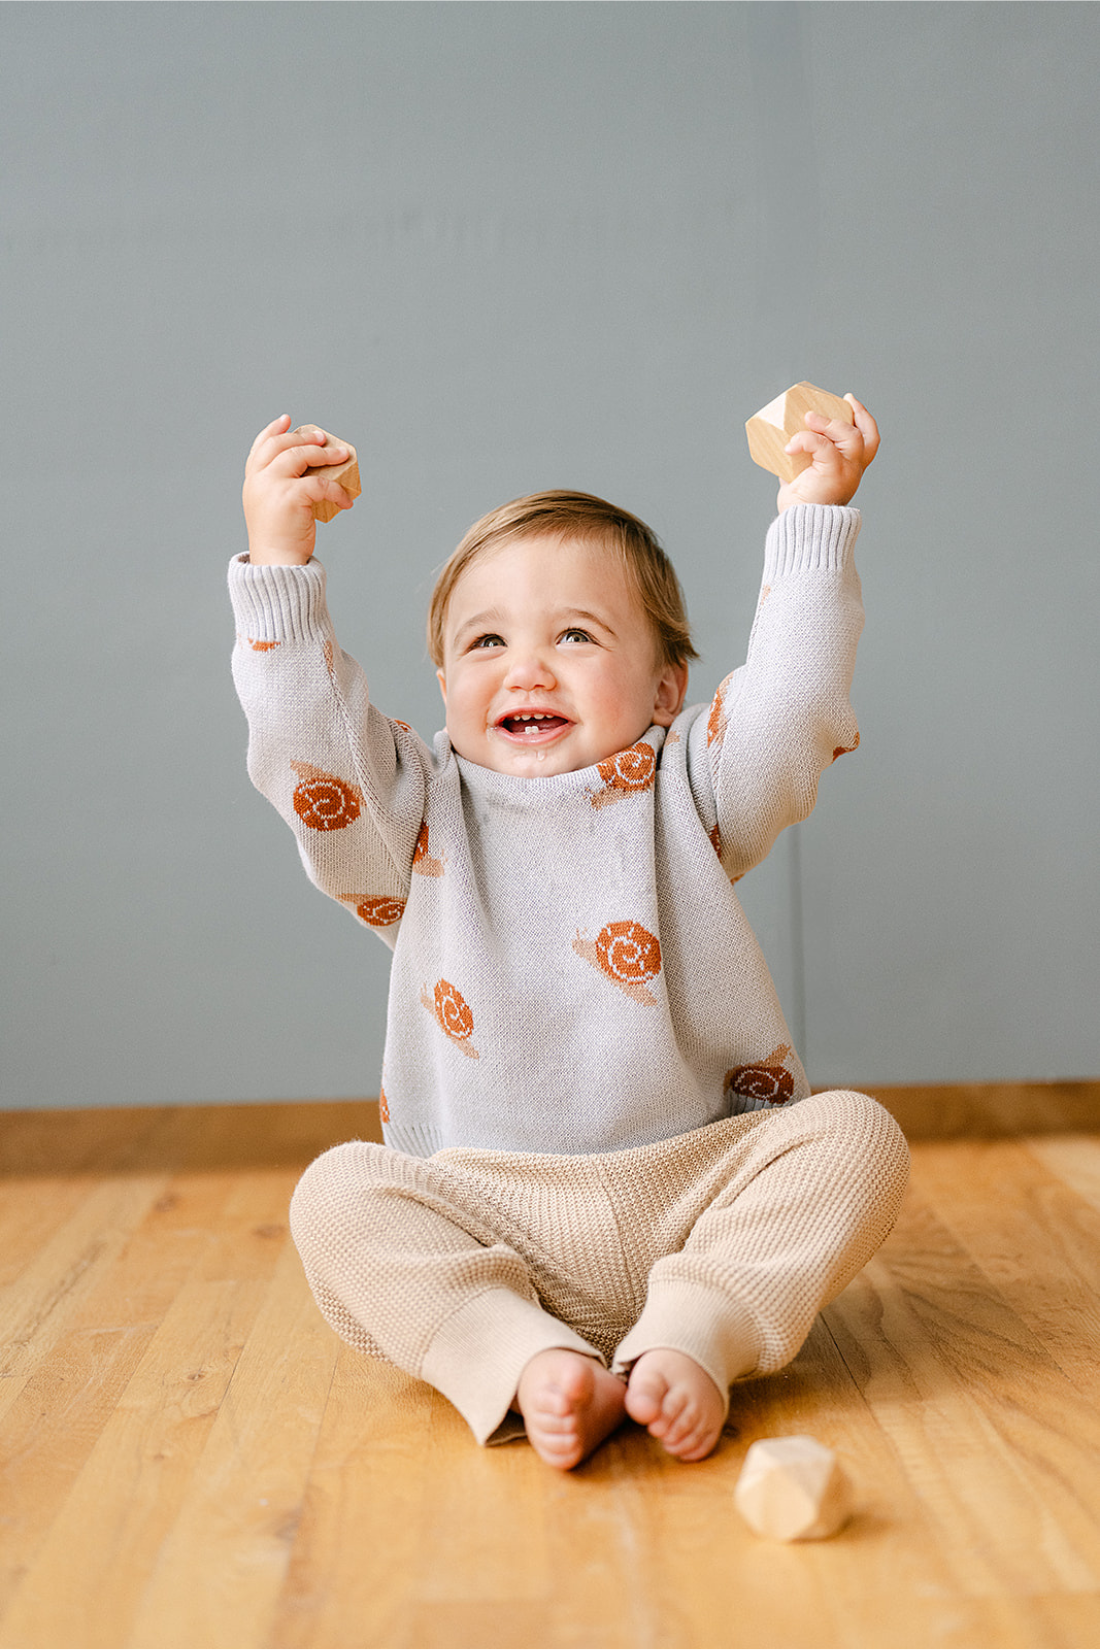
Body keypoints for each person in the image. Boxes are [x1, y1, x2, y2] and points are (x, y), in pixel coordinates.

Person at [229, 401, 909, 1469]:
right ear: (445, 685)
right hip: (484, 1209)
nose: (526, 668)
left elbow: (789, 707)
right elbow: (305, 744)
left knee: (855, 1136)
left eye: (575, 636)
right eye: (484, 642)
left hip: (694, 1195)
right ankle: (522, 1356)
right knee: (336, 1197)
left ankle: (695, 1332)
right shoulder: (406, 815)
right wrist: (280, 559)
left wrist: (811, 519)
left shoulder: (690, 787)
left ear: (665, 690)